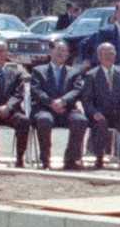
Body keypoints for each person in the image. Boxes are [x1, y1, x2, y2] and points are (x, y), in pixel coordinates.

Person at [26, 38, 86, 169]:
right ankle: (45, 159)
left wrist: (63, 101)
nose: (61, 53)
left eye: (64, 51)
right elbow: (36, 91)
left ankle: (70, 159)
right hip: (45, 109)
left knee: (80, 120)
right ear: (50, 51)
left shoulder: (74, 72)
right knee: (44, 120)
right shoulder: (38, 70)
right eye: (58, 49)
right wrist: (52, 103)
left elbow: (77, 90)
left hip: (67, 109)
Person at [81, 41, 120, 168]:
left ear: (115, 55)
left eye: (111, 53)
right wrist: (94, 113)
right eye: (104, 53)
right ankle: (99, 159)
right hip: (100, 115)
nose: (108, 56)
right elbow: (87, 99)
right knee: (100, 124)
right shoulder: (91, 75)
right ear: (99, 57)